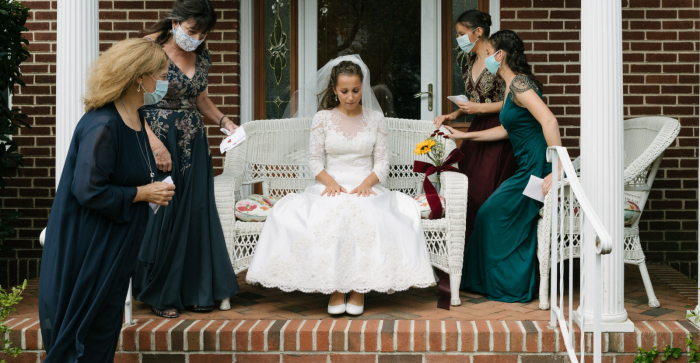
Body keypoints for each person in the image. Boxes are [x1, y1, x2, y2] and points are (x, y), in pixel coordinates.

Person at [33, 39, 175, 363]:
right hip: (91, 250)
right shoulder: (102, 125)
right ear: (138, 79)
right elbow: (87, 190)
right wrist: (141, 193)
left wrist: (146, 191)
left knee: (105, 336)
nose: (163, 83)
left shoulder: (135, 115)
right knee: (93, 340)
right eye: (160, 76)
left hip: (117, 247)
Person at [246, 56, 435, 316]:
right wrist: (330, 182)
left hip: (366, 185)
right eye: (344, 91)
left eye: (355, 91)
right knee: (331, 213)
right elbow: (314, 160)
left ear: (362, 88)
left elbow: (382, 163)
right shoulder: (322, 119)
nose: (350, 97)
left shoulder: (376, 119)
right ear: (334, 90)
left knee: (363, 212)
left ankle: (358, 288)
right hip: (329, 183)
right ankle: (336, 287)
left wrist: (367, 183)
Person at [134, 0, 239, 318]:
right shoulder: (148, 48)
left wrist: (224, 123)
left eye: (204, 33)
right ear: (176, 22)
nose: (197, 37)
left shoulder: (202, 53)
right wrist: (152, 143)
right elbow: (131, 100)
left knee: (195, 212)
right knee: (165, 211)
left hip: (194, 141)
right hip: (157, 140)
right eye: (193, 30)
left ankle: (197, 290)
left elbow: (200, 98)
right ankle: (161, 293)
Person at [444, 30, 560, 303]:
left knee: (494, 213)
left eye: (488, 55)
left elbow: (550, 122)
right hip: (525, 166)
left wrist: (556, 169)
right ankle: (496, 280)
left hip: (537, 169)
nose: (485, 61)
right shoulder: (511, 86)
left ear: (500, 55)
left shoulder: (520, 84)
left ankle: (512, 284)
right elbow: (508, 130)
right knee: (491, 213)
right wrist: (464, 136)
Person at [434, 10, 517, 286]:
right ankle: (466, 269)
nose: (459, 39)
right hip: (478, 128)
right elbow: (471, 99)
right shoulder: (469, 59)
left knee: (486, 194)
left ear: (478, 32)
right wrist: (454, 115)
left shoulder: (499, 56)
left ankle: (488, 271)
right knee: (468, 195)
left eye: (460, 34)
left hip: (500, 130)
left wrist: (478, 108)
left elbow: (513, 101)